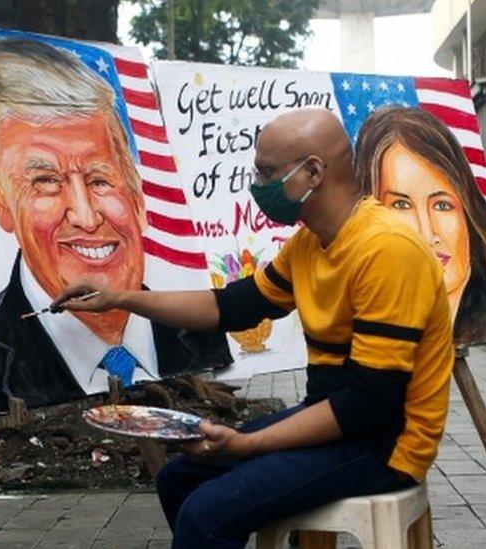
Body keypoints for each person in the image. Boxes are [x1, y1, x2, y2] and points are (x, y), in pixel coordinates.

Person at [52, 108, 455, 548]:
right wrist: (121, 297)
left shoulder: (386, 250)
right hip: (340, 419)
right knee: (179, 478)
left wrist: (251, 444)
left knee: (208, 513)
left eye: (266, 173)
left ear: (314, 172)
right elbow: (231, 307)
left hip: (386, 441)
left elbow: (369, 404)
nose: (257, 186)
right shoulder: (309, 245)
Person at [0, 38, 230, 432]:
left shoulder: (204, 335)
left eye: (100, 179)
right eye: (45, 182)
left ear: (134, 190)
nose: (86, 216)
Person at [355, 106, 486, 344]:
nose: (427, 233)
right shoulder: (356, 324)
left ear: (468, 214)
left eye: (442, 205)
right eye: (401, 205)